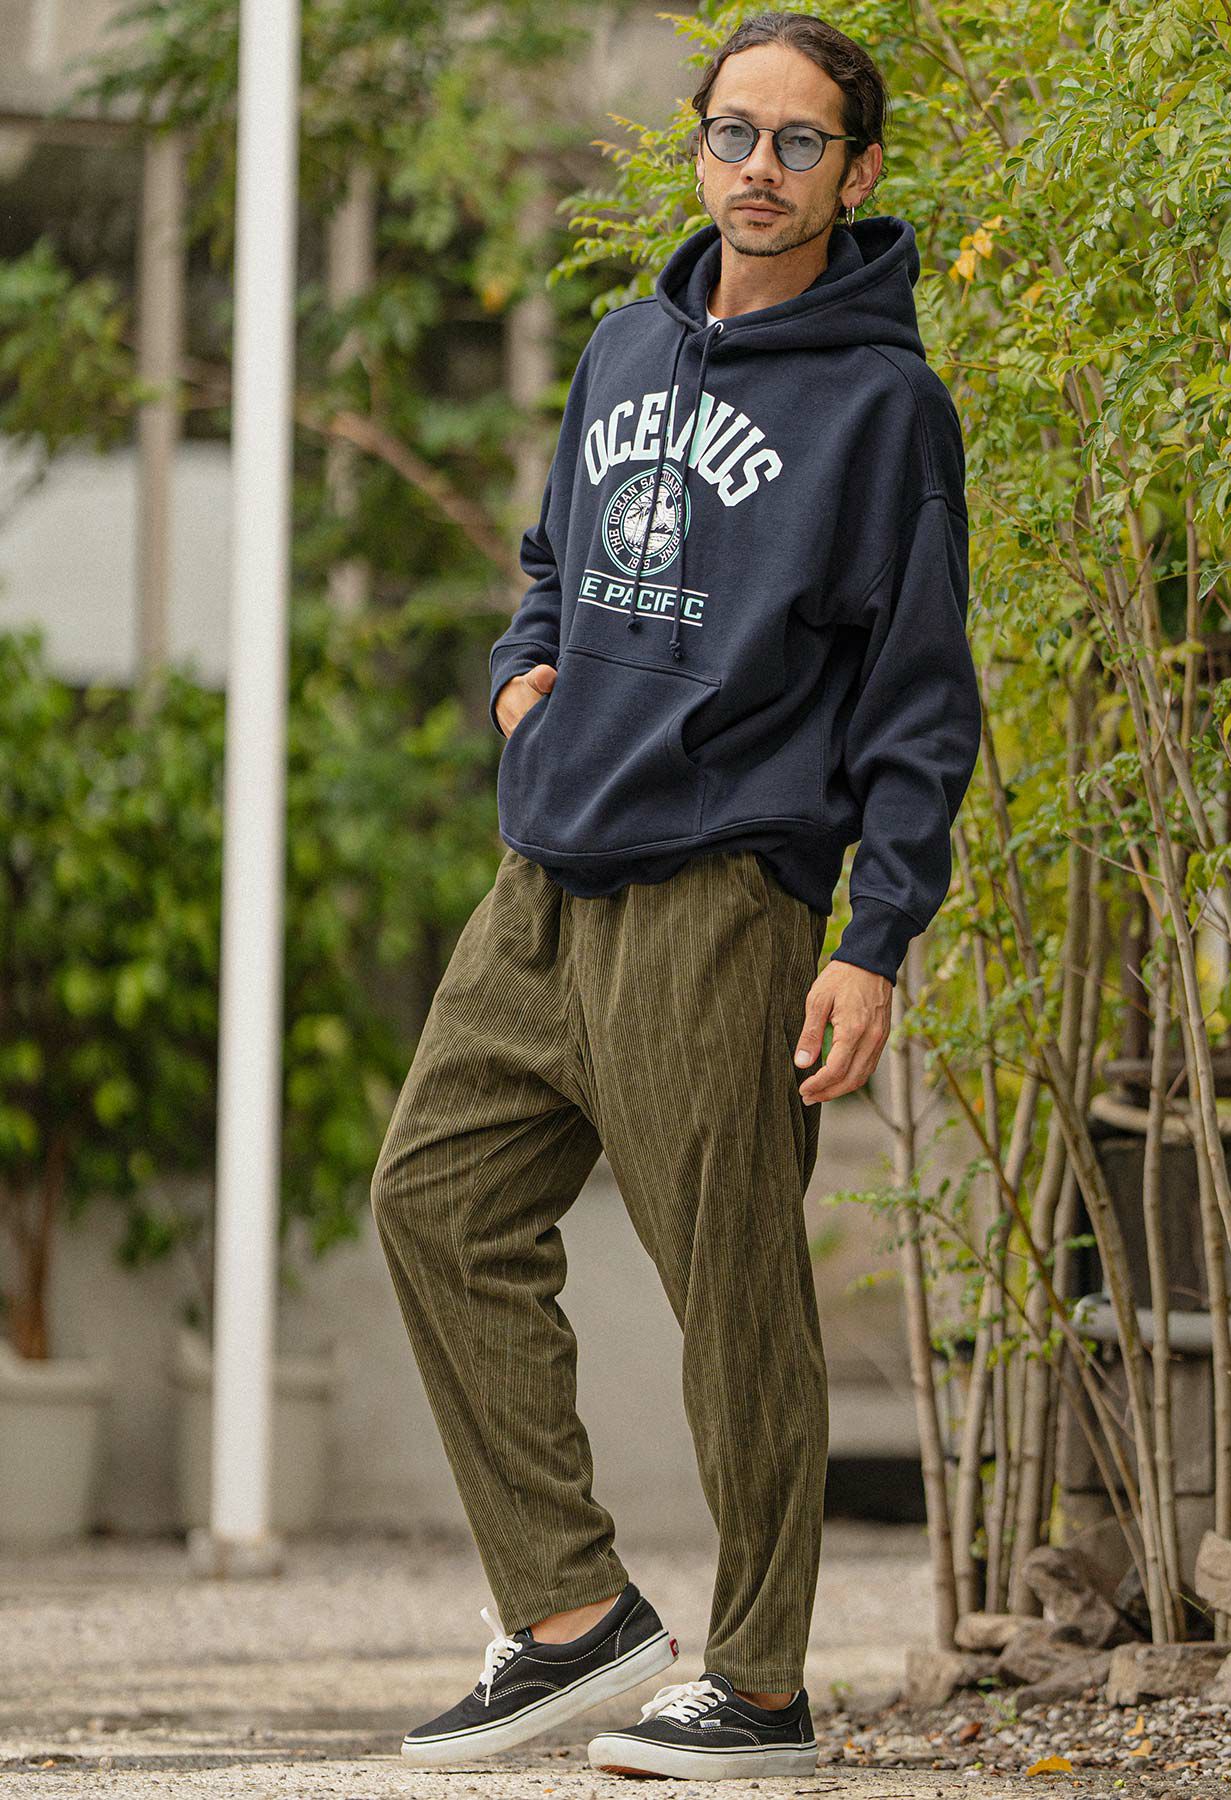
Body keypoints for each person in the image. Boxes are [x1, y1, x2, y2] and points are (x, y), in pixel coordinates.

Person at [370, 7, 982, 1781]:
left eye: (800, 143)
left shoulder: (884, 408)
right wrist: (523, 668)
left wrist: (873, 940)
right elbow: (553, 558)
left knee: (735, 1294)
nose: (759, 170)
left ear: (857, 172)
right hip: (547, 874)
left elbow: (919, 701)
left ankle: (763, 1685)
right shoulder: (629, 343)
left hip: (723, 895)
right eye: (733, 133)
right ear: (698, 145)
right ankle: (574, 1619)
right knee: (432, 1202)